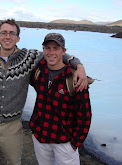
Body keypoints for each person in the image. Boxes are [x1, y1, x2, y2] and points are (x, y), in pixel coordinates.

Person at [0, 19, 87, 165]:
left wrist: (79, 66)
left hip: (12, 126)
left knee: (14, 162)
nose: (8, 36)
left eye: (12, 33)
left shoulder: (28, 58)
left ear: (18, 38)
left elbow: (56, 54)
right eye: (4, 33)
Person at [29, 33, 92, 165]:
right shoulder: (38, 71)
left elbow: (85, 115)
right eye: (47, 48)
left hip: (65, 142)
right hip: (40, 137)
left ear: (63, 51)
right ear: (43, 50)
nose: (51, 52)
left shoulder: (75, 78)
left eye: (56, 48)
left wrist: (75, 143)